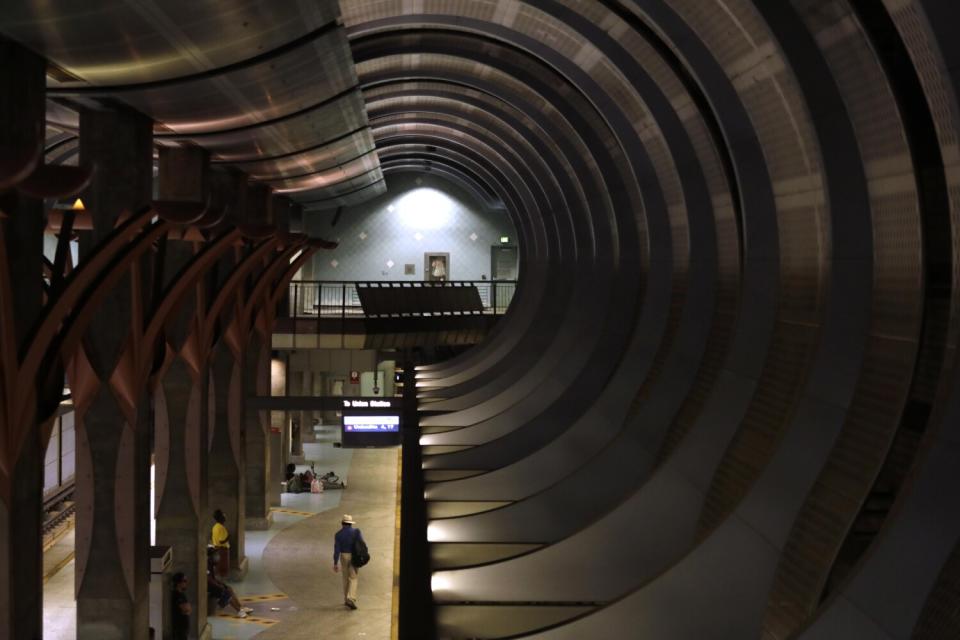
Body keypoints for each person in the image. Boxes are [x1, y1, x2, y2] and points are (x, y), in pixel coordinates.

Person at [207, 547, 253, 618]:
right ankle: (239, 611)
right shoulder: (206, 565)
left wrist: (220, 583)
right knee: (226, 592)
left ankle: (241, 607)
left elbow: (213, 578)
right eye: (214, 555)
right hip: (208, 586)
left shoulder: (212, 564)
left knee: (229, 588)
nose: (217, 556)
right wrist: (218, 585)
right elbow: (208, 579)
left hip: (212, 584)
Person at [333, 514, 365, 609]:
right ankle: (351, 598)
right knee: (353, 577)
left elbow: (336, 550)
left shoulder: (338, 534)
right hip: (354, 556)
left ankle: (346, 600)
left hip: (343, 556)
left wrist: (335, 563)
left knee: (345, 578)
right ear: (351, 524)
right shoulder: (356, 532)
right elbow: (362, 543)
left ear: (342, 523)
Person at [170, 572, 190, 640]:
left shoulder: (181, 594)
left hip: (182, 627)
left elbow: (188, 609)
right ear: (178, 583)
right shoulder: (177, 595)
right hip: (179, 627)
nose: (186, 583)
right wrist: (186, 609)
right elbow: (186, 609)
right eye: (184, 581)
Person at [211, 509, 230, 576]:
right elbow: (221, 541)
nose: (225, 516)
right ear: (220, 518)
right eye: (223, 515)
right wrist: (228, 537)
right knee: (223, 569)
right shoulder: (221, 528)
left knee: (218, 569)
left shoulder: (215, 526)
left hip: (216, 548)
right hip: (222, 550)